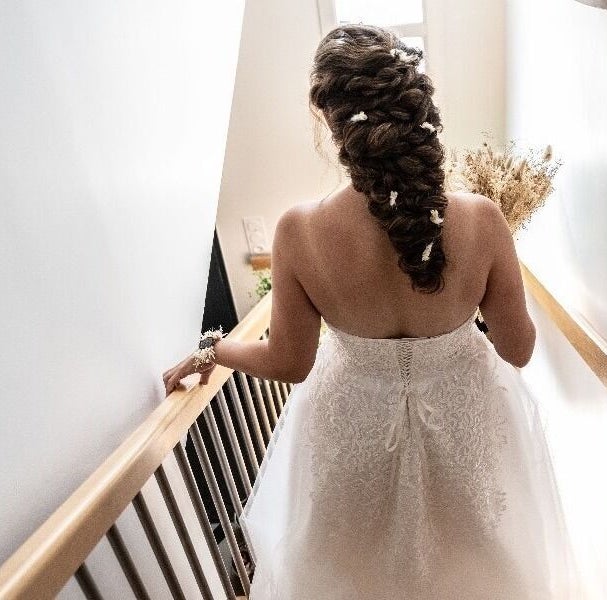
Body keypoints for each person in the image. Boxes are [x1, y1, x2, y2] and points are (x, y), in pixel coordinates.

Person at [164, 23, 575, 599]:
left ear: (334, 125)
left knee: (351, 571)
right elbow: (520, 349)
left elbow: (289, 360)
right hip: (465, 416)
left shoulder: (299, 231)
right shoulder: (482, 221)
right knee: (476, 561)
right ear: (416, 110)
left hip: (352, 426)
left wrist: (213, 346)